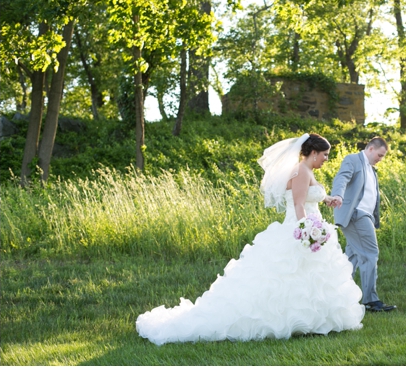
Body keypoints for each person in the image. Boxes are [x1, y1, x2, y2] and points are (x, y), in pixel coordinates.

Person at [136, 134, 364, 345]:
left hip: (309, 227)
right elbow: (298, 204)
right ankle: (295, 320)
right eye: (325, 155)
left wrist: (328, 199)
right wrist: (307, 232)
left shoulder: (307, 170)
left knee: (311, 278)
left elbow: (310, 197)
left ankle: (313, 320)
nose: (326, 159)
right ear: (314, 153)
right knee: (291, 277)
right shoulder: (302, 171)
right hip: (301, 230)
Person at [327, 137, 396, 312]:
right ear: (371, 149)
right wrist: (338, 196)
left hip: (365, 216)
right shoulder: (353, 160)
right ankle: (370, 300)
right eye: (380, 155)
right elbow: (342, 177)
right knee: (370, 253)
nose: (380, 159)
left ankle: (337, 296)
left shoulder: (372, 170)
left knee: (352, 257)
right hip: (355, 215)